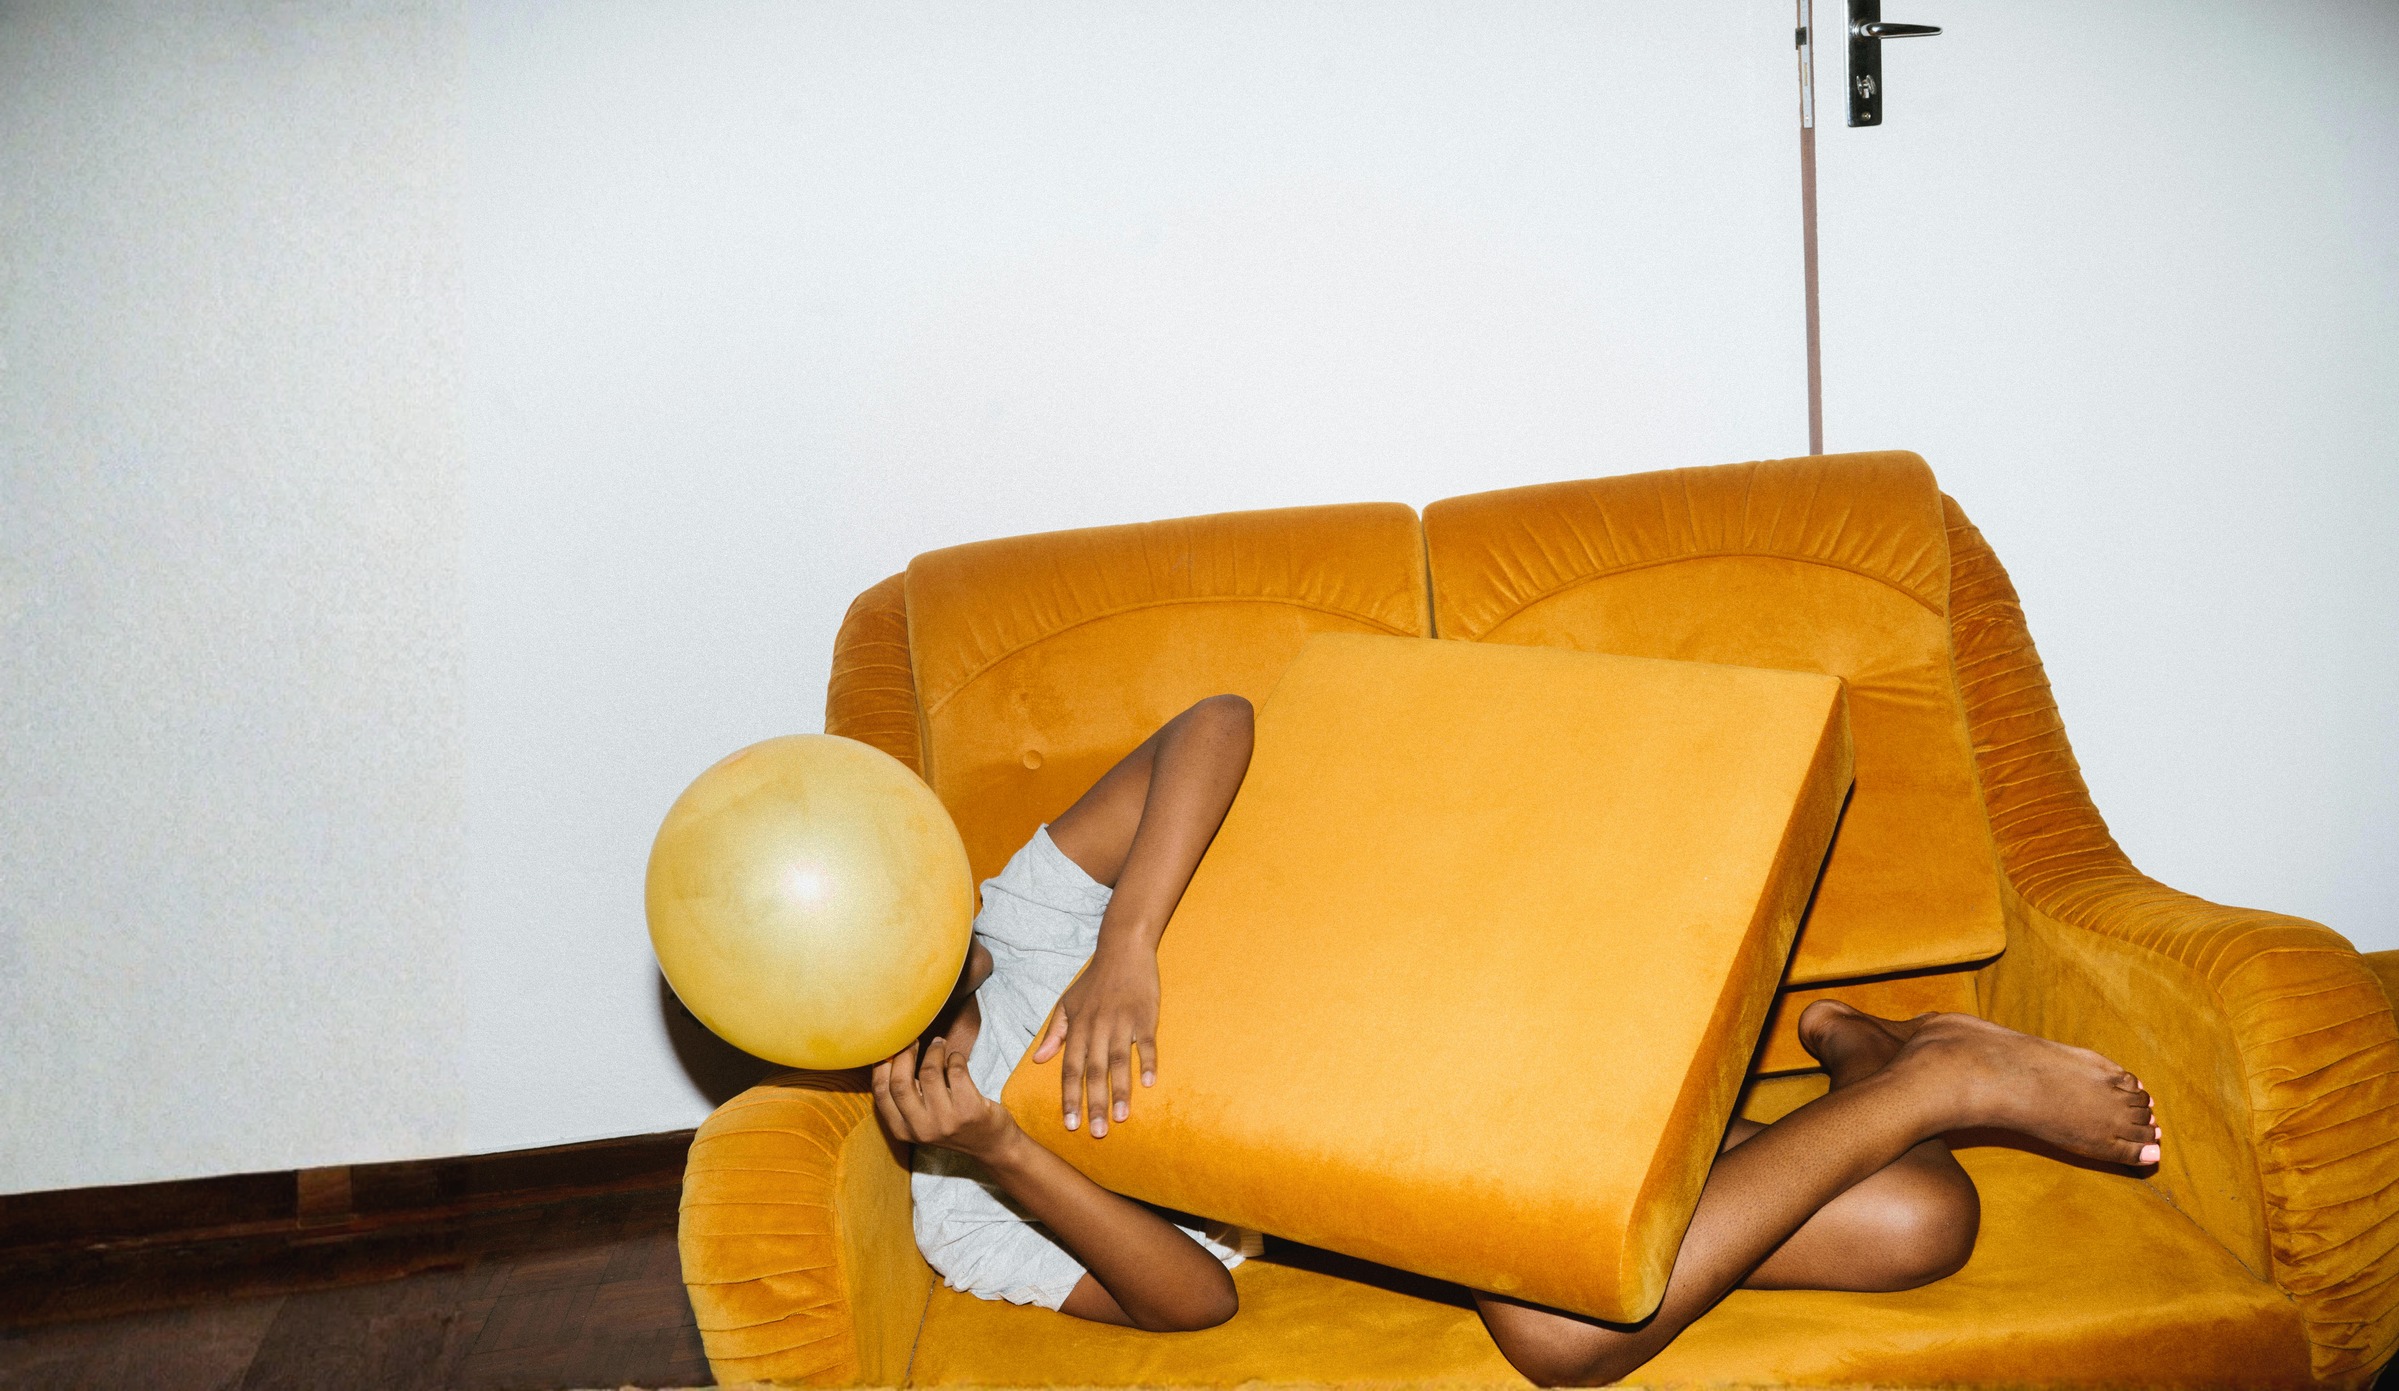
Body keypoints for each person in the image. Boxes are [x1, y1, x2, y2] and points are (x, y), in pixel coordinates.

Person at [869, 695, 2164, 1382]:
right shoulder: (951, 1197)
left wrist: (1126, 941)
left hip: (1479, 999)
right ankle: (1898, 1061)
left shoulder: (1020, 908)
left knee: (1563, 1339)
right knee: (1925, 1226)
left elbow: (1216, 720)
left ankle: (1939, 1069)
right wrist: (1005, 1148)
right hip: (1407, 1155)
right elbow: (1195, 1302)